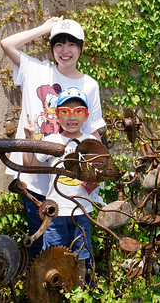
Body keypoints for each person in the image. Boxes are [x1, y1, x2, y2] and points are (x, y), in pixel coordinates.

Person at [1, 17, 105, 259]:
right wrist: (44, 28)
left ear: (82, 48)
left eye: (71, 44)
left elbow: (93, 133)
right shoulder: (36, 70)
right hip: (34, 174)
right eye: (58, 44)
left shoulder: (89, 85)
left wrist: (98, 171)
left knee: (77, 245)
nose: (64, 50)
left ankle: (76, 291)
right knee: (41, 246)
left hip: (68, 181)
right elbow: (7, 43)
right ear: (51, 48)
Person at [31, 87, 98, 283]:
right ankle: (52, 293)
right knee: (52, 257)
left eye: (78, 111)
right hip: (55, 212)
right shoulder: (51, 141)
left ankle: (78, 292)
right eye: (65, 112)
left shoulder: (91, 142)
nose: (72, 117)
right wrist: (30, 138)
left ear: (85, 116)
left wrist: (95, 179)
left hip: (82, 211)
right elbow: (33, 165)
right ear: (57, 116)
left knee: (81, 256)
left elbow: (101, 172)